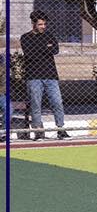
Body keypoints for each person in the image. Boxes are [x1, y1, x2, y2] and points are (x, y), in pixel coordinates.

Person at [20, 11, 68, 140]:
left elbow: (55, 50)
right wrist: (46, 47)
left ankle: (61, 130)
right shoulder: (25, 37)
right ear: (33, 23)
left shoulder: (50, 35)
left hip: (51, 76)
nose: (43, 27)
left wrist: (39, 48)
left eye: (44, 24)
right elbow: (29, 54)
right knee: (36, 105)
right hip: (33, 77)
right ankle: (39, 132)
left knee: (57, 102)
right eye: (40, 24)